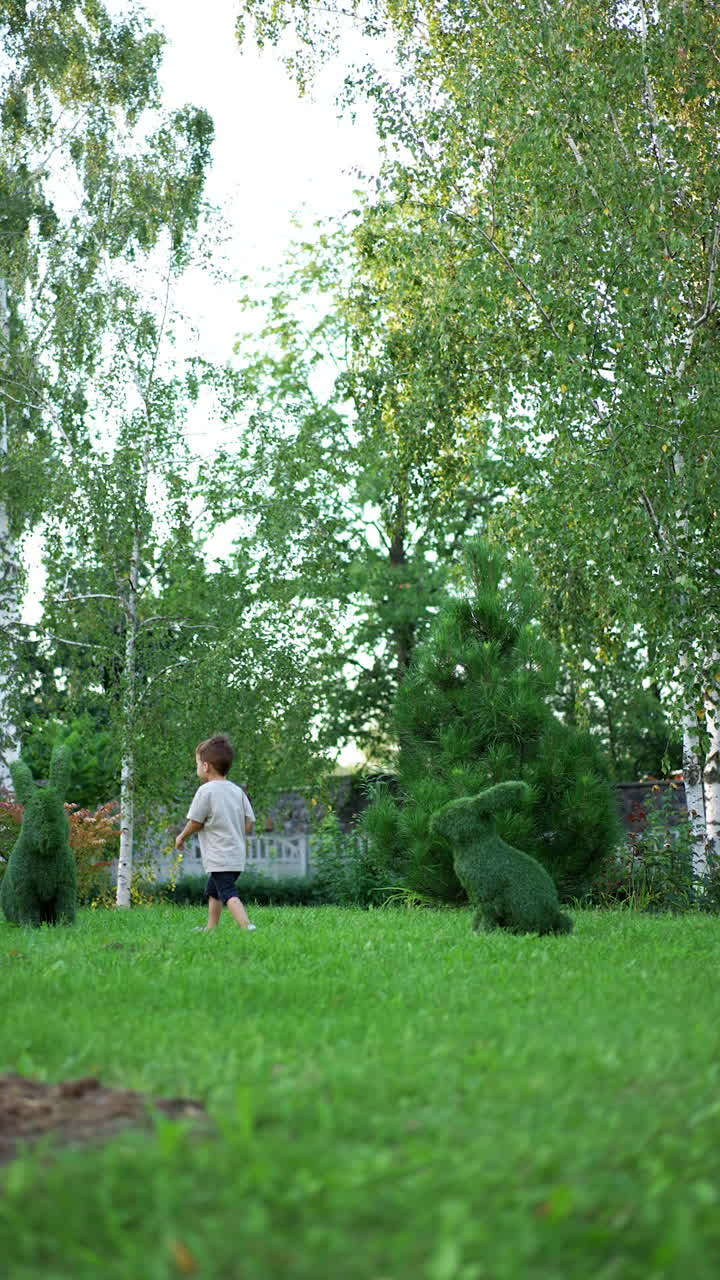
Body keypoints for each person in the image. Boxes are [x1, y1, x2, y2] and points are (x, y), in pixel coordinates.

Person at [175, 734, 257, 932]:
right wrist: (235, 832)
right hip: (236, 854)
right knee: (214, 891)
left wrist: (182, 836)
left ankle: (247, 926)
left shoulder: (206, 791)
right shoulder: (237, 791)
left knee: (228, 892)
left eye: (197, 763)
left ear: (205, 766)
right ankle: (211, 928)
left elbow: (195, 821)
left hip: (219, 856)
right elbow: (250, 821)